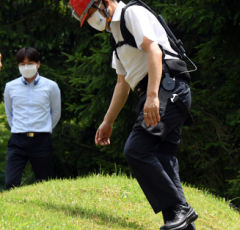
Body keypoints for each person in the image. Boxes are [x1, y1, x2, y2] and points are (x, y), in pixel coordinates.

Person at [69, 1, 197, 229]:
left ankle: (180, 208)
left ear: (102, 2)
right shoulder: (115, 35)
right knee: (164, 160)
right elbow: (122, 83)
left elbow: (154, 51)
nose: (90, 21)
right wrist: (108, 121)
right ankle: (180, 220)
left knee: (136, 149)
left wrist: (152, 96)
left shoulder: (132, 14)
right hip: (161, 90)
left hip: (167, 87)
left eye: (90, 13)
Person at [3, 47, 61, 189]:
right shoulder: (10, 87)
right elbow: (9, 113)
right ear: (18, 66)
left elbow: (56, 113)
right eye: (22, 64)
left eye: (30, 64)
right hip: (18, 140)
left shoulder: (51, 86)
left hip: (41, 140)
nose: (26, 67)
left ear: (38, 64)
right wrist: (18, 127)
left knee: (45, 183)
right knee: (10, 182)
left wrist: (44, 128)